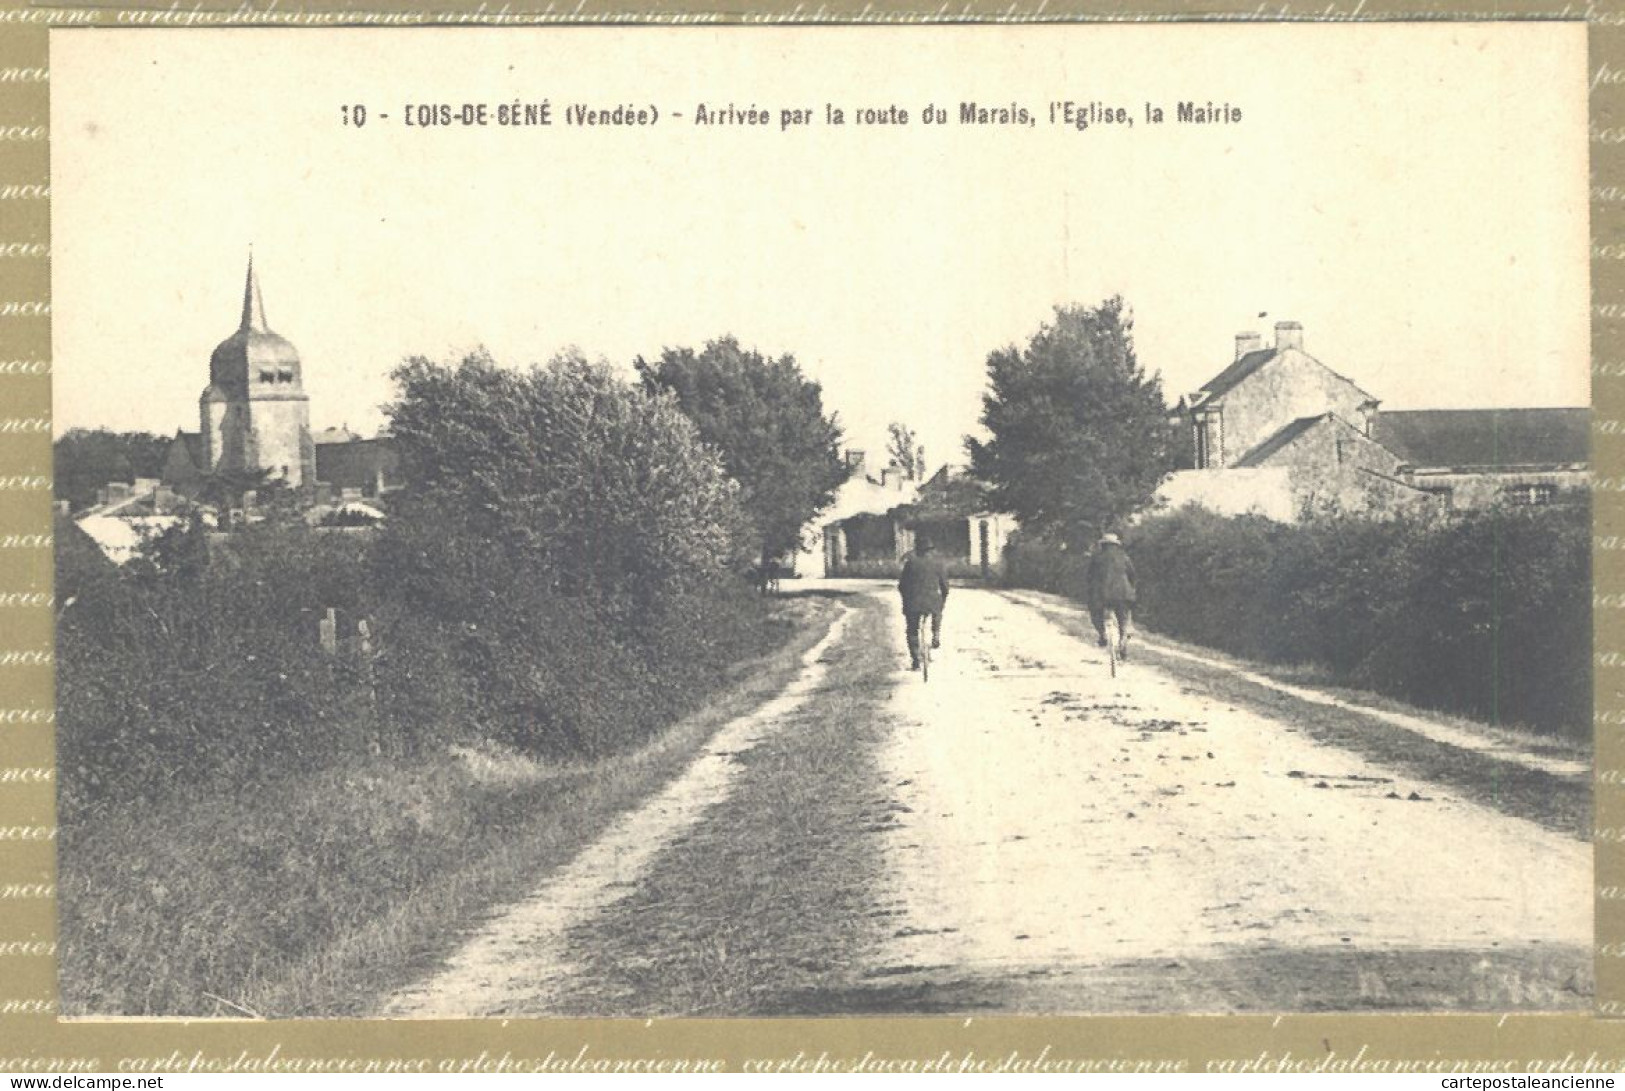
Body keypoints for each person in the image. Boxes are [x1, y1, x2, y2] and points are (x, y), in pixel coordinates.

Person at [898, 536, 950, 671]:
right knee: (937, 612)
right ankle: (935, 634)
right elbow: (945, 586)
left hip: (913, 603)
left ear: (918, 549)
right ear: (931, 550)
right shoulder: (938, 563)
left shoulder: (910, 563)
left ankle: (916, 661)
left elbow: (902, 585)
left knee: (912, 629)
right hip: (932, 601)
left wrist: (905, 600)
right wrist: (942, 600)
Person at [1086, 531, 1136, 660]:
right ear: (1116, 545)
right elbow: (1132, 575)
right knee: (1124, 619)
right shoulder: (1124, 557)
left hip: (1102, 595)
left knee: (1095, 612)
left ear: (1103, 545)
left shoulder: (1096, 558)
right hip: (1123, 594)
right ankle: (1123, 641)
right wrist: (1131, 589)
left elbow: (1089, 577)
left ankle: (1102, 635)